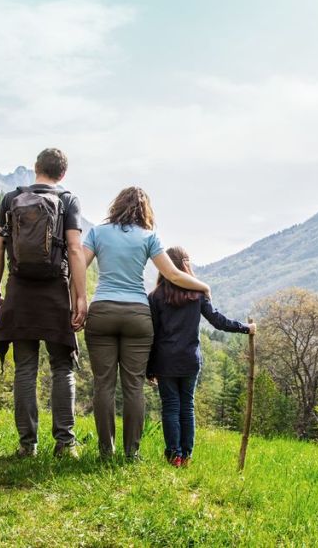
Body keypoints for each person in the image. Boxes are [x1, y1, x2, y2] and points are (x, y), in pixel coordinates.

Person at [83, 187, 211, 460]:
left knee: (103, 385)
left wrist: (79, 301)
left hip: (102, 310)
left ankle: (106, 451)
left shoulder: (97, 233)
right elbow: (173, 275)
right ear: (145, 211)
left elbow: (77, 266)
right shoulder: (149, 237)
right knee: (133, 386)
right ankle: (132, 453)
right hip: (137, 316)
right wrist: (203, 286)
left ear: (116, 205)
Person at [0, 148, 88, 458]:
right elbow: (74, 250)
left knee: (25, 369)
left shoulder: (10, 198)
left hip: (19, 290)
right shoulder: (69, 200)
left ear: (35, 168)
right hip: (55, 289)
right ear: (62, 174)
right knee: (62, 368)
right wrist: (80, 296)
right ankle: (65, 444)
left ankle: (27, 445)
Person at [147, 246, 254, 467]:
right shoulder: (197, 295)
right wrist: (246, 328)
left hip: (165, 360)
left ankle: (173, 455)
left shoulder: (155, 296)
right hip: (189, 359)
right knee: (187, 406)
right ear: (187, 265)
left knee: (171, 407)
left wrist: (149, 368)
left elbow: (153, 334)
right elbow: (218, 321)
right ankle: (186, 456)